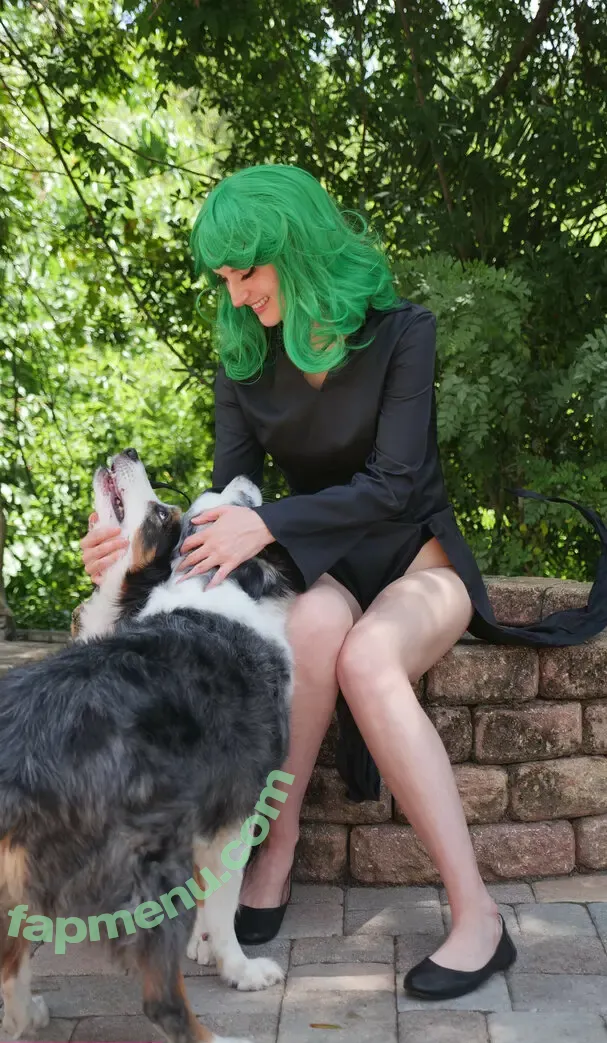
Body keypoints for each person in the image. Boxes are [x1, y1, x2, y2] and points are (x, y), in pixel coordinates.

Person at [80, 163, 607, 1001]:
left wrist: (270, 525)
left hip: (414, 556)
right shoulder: (242, 355)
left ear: (295, 248)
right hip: (315, 565)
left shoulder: (403, 332)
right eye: (224, 278)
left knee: (365, 656)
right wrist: (128, 549)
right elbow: (230, 495)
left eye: (246, 272)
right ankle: (276, 847)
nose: (235, 294)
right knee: (313, 627)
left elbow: (394, 485)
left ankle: (479, 917)